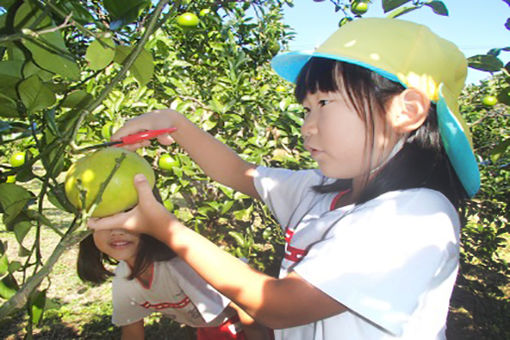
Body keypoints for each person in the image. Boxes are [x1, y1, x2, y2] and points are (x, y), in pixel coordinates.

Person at [88, 18, 480, 339]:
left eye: (324, 103)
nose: (307, 127)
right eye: (306, 108)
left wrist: (165, 229)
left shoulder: (415, 216)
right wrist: (173, 123)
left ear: (405, 110)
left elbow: (279, 305)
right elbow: (237, 173)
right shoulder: (321, 193)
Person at [78, 208, 270, 339]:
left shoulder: (179, 265)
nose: (116, 231)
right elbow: (132, 333)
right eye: (103, 221)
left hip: (247, 322)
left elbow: (244, 305)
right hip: (209, 328)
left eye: (126, 220)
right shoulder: (123, 280)